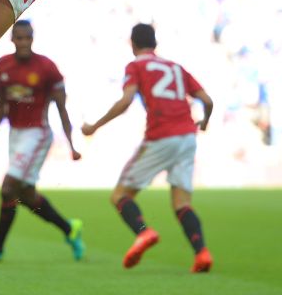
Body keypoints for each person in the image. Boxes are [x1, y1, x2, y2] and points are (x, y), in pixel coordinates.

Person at [81, 24, 215, 273]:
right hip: (187, 136)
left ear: (132, 44)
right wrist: (204, 122)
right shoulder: (176, 67)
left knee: (120, 195)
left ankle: (144, 233)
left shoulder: (136, 66)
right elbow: (207, 101)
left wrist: (95, 126)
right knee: (182, 203)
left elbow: (126, 100)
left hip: (160, 135)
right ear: (155, 44)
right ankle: (202, 253)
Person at [0, 20, 84, 264]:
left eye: (27, 38)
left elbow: (62, 108)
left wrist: (72, 144)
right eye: (18, 38)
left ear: (32, 39)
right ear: (12, 40)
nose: (23, 42)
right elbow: (1, 104)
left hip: (37, 134)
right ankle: (69, 228)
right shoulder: (2, 67)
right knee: (26, 195)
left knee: (9, 188)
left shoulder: (47, 68)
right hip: (16, 134)